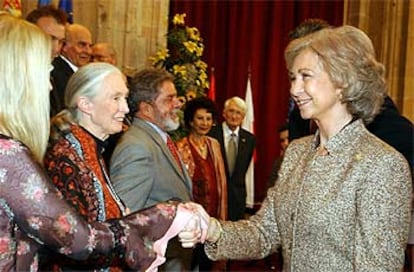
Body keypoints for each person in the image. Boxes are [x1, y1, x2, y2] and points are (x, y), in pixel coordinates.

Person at [180, 25, 413, 271]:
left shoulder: (382, 164)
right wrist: (211, 229)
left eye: (306, 76)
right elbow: (264, 233)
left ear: (342, 81)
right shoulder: (297, 152)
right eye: (293, 77)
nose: (294, 89)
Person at [0, 13, 204, 271]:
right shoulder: (16, 153)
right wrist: (165, 215)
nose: (50, 87)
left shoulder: (94, 148)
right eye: (45, 72)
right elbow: (78, 239)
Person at [43, 62, 130, 270]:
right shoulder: (65, 156)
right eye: (116, 98)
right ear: (85, 104)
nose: (125, 108)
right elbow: (72, 242)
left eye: (125, 98)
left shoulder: (92, 148)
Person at [110, 68, 193, 271]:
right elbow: (125, 222)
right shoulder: (136, 146)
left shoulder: (158, 138)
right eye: (169, 99)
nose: (178, 104)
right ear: (146, 108)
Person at [176, 97, 227, 271]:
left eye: (208, 118)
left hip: (213, 215)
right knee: (190, 262)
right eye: (200, 118)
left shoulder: (214, 145)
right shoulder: (181, 147)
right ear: (191, 121)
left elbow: (221, 182)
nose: (205, 123)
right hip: (191, 219)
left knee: (208, 262)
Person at [208, 96, 256, 221]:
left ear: (243, 117)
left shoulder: (250, 139)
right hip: (214, 196)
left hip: (237, 199)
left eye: (238, 113)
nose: (234, 116)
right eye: (231, 111)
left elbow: (242, 170)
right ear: (224, 113)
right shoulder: (211, 134)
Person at [26, 5, 68, 116]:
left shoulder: (58, 75)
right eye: (49, 38)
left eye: (61, 42)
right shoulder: (10, 74)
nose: (56, 48)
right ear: (28, 35)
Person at [51, 23, 92, 115]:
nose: (88, 51)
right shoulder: (55, 72)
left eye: (90, 46)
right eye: (82, 45)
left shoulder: (83, 73)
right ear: (65, 46)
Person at [266, 123, 289, 189]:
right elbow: (270, 187)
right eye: (282, 141)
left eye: (288, 138)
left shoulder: (305, 160)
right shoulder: (278, 162)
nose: (286, 143)